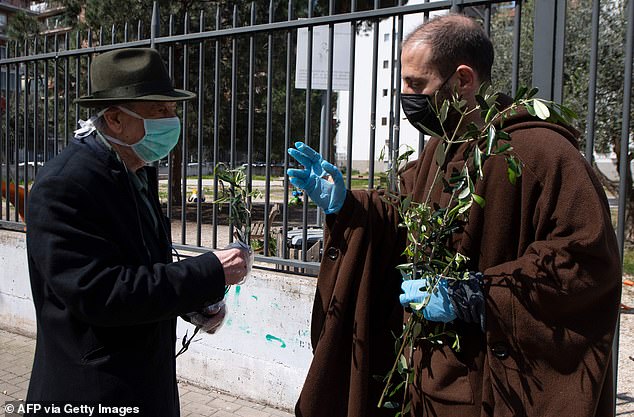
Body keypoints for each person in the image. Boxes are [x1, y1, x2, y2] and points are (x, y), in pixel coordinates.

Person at [288, 14, 621, 417]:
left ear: (463, 80)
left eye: (416, 85)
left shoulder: (542, 155)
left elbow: (586, 265)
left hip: (491, 389)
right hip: (424, 382)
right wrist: (349, 205)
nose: (406, 96)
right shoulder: (443, 147)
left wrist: (478, 297)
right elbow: (404, 211)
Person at [25, 48, 250, 416]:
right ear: (114, 118)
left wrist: (193, 303)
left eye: (173, 110)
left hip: (144, 384)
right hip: (93, 392)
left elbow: (142, 267)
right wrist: (208, 271)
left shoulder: (135, 169)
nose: (171, 120)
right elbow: (99, 293)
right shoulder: (65, 185)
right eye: (159, 111)